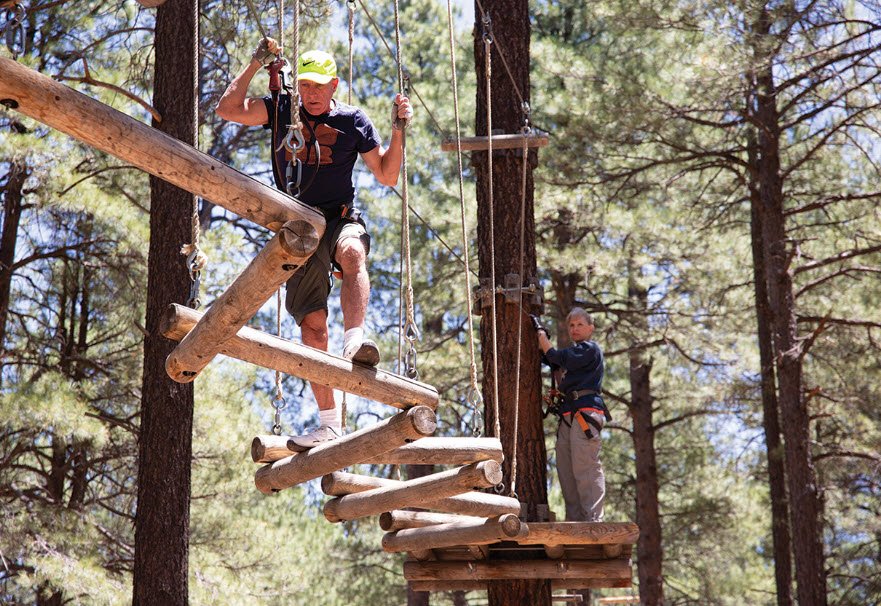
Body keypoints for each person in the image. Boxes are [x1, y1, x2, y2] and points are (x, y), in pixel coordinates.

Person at [216, 38, 413, 448]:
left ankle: (355, 340)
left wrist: (398, 130)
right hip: (298, 226)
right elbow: (227, 109)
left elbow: (388, 175)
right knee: (312, 327)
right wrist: (256, 63)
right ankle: (329, 424)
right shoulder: (281, 111)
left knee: (353, 251)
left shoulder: (353, 122)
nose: (312, 94)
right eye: (305, 85)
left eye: (320, 86)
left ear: (335, 85)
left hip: (339, 217)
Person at [533, 308, 609, 522]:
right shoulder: (576, 355)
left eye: (580, 325)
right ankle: (575, 520)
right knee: (566, 470)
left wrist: (541, 336)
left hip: (585, 412)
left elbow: (556, 357)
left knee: (585, 466)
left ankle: (593, 519)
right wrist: (542, 345)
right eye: (571, 325)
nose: (575, 329)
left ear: (590, 328)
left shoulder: (589, 349)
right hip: (569, 414)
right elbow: (553, 360)